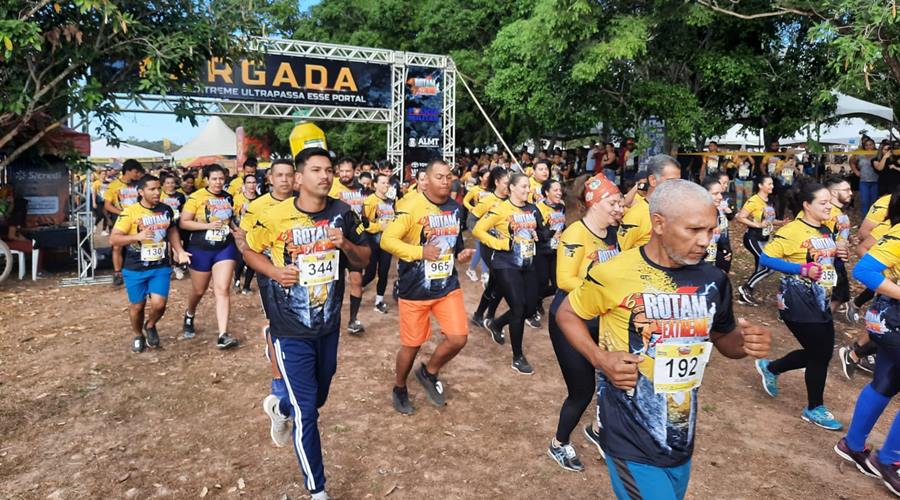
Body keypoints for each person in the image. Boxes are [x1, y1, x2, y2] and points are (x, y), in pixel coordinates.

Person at [555, 179, 771, 499]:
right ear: (658, 224)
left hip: (680, 435)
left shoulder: (713, 280)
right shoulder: (614, 272)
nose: (705, 242)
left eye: (710, 231)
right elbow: (566, 313)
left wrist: (744, 343)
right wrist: (600, 358)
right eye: (694, 230)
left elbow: (723, 337)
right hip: (629, 435)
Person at [244, 148, 369, 500]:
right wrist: (273, 271)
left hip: (327, 325)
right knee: (307, 413)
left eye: (329, 170)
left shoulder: (344, 214)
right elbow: (249, 251)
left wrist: (344, 244)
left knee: (318, 396)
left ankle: (278, 407)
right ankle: (318, 490)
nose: (325, 176)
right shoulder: (274, 216)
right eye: (316, 170)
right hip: (290, 327)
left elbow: (364, 259)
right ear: (299, 178)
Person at [380, 159, 475, 414]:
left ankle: (429, 372)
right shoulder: (411, 207)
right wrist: (419, 251)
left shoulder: (455, 208)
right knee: (411, 346)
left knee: (458, 339)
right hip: (415, 288)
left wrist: (461, 254)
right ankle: (400, 387)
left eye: (448, 177)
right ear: (426, 180)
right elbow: (387, 241)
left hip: (446, 285)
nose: (445, 181)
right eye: (439, 177)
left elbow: (453, 242)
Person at [753, 179, 848, 430]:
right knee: (820, 352)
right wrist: (801, 269)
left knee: (821, 352)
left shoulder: (826, 230)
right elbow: (766, 258)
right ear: (807, 205)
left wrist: (838, 256)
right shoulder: (792, 231)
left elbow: (827, 262)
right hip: (796, 301)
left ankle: (772, 368)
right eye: (824, 203)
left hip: (819, 300)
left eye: (830, 202)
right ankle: (814, 407)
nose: (830, 207)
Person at [546, 174, 623, 472]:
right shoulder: (575, 233)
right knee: (582, 390)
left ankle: (599, 431)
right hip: (571, 320)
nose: (619, 208)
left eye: (619, 202)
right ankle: (559, 443)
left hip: (603, 319)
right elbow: (564, 280)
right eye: (613, 202)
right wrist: (605, 291)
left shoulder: (614, 235)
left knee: (613, 381)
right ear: (594, 204)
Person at [834, 194, 900, 497]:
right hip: (891, 319)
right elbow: (864, 270)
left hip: (889, 318)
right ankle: (890, 460)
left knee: (886, 382)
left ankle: (853, 444)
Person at [235, 159, 298, 405]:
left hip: (298, 274)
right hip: (269, 272)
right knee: (277, 324)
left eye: (288, 175)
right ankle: (278, 381)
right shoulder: (258, 206)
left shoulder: (304, 203)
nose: (284, 180)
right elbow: (244, 239)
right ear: (270, 179)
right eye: (279, 175)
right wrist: (264, 264)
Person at [473, 172, 545, 374]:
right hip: (505, 263)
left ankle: (496, 324)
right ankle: (518, 357)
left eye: (528, 186)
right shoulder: (500, 208)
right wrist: (500, 244)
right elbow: (478, 230)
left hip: (528, 262)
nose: (527, 190)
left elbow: (540, 231)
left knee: (530, 309)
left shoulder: (532, 208)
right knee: (518, 307)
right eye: (523, 186)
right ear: (512, 188)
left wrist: (538, 235)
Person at [109, 174, 190, 352]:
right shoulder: (130, 212)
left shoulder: (166, 209)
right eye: (151, 189)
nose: (156, 192)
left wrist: (180, 250)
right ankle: (138, 334)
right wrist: (136, 237)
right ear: (141, 192)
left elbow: (172, 231)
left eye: (158, 189)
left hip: (160, 265)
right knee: (137, 306)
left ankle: (151, 325)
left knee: (159, 304)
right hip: (135, 268)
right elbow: (113, 239)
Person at [179, 164, 240, 349]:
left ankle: (223, 334)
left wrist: (236, 231)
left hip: (224, 247)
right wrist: (207, 226)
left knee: (222, 289)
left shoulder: (228, 197)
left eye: (221, 179)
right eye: (214, 179)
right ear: (206, 180)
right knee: (199, 290)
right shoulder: (196, 197)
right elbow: (184, 223)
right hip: (200, 248)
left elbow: (229, 221)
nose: (218, 182)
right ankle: (190, 314)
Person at [329, 157, 367, 335]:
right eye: (341, 171)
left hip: (354, 239)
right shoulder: (332, 187)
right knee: (334, 284)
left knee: (357, 280)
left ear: (354, 171)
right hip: (334, 241)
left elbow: (363, 208)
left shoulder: (361, 188)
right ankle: (330, 318)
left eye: (348, 171)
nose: (345, 174)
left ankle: (353, 319)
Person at [471, 167, 511, 329]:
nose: (509, 185)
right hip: (489, 248)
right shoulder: (487, 200)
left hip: (506, 248)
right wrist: (487, 235)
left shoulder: (511, 200)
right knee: (499, 280)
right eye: (506, 182)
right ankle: (486, 315)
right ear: (496, 182)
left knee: (497, 283)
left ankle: (483, 314)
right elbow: (471, 221)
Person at [617, 154, 681, 251]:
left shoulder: (676, 212)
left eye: (678, 182)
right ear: (653, 180)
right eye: (670, 181)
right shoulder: (636, 216)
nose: (676, 187)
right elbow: (619, 253)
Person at [735, 175, 780, 305]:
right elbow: (741, 217)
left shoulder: (770, 201)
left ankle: (744, 296)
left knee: (761, 268)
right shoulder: (753, 200)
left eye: (772, 184)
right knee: (769, 266)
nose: (772, 186)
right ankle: (746, 288)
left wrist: (781, 222)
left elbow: (769, 221)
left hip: (764, 238)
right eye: (769, 184)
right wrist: (757, 225)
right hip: (752, 238)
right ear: (760, 186)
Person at [104, 160, 146, 286]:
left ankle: (140, 269)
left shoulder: (139, 185)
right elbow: (107, 205)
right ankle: (117, 273)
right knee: (117, 246)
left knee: (140, 243)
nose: (137, 175)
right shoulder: (113, 185)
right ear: (127, 171)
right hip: (121, 219)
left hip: (138, 219)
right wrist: (121, 213)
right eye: (135, 172)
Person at [362, 172, 396, 314]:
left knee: (384, 272)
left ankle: (379, 301)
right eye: (382, 182)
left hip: (387, 242)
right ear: (375, 184)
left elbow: (395, 218)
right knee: (370, 273)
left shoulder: (391, 201)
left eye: (387, 183)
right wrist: (378, 227)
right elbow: (363, 223)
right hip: (372, 242)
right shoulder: (369, 201)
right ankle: (358, 287)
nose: (385, 185)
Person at [534, 178, 566, 319]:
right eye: (555, 190)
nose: (559, 193)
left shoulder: (562, 207)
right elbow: (538, 234)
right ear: (547, 192)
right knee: (542, 281)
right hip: (541, 251)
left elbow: (562, 225)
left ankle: (538, 298)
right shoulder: (538, 208)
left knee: (558, 283)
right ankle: (536, 300)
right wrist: (552, 233)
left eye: (560, 190)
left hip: (557, 250)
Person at [232, 174, 260, 294]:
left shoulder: (260, 199)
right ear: (244, 185)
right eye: (249, 182)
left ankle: (247, 285)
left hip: (255, 233)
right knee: (240, 259)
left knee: (252, 259)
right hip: (240, 231)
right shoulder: (237, 198)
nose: (251, 185)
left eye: (254, 182)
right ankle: (237, 280)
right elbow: (231, 214)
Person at [463, 168, 491, 283]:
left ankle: (471, 269)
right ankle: (485, 273)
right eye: (486, 176)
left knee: (482, 246)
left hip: (488, 221)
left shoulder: (492, 190)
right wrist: (472, 208)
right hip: (474, 220)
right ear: (480, 178)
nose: (489, 178)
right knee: (482, 243)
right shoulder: (474, 189)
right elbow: (465, 201)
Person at [701, 176, 732, 274]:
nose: (720, 197)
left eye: (720, 193)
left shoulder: (717, 212)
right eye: (715, 194)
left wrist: (725, 251)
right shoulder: (694, 215)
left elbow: (720, 239)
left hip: (713, 263)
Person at [160, 173, 188, 280]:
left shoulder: (180, 195)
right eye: (167, 183)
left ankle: (177, 266)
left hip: (176, 223)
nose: (170, 185)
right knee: (166, 247)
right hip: (163, 224)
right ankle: (168, 266)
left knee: (176, 244)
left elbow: (183, 209)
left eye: (172, 183)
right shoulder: (160, 195)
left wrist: (180, 215)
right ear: (163, 184)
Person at [851, 137, 879, 216]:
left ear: (874, 145)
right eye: (866, 145)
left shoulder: (878, 154)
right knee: (864, 202)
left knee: (874, 202)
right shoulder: (860, 154)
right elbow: (851, 162)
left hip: (876, 181)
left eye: (871, 144)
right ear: (864, 146)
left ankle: (872, 220)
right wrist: (856, 171)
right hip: (864, 181)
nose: (869, 147)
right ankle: (864, 220)